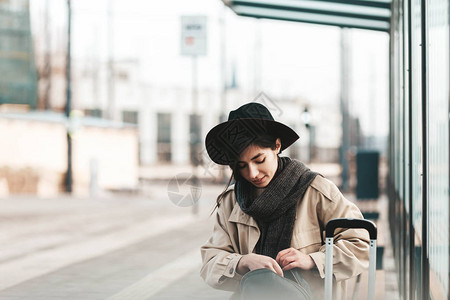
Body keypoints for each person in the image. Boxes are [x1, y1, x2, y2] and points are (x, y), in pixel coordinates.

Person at [200, 102, 370, 300]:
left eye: (259, 160)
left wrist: (313, 260)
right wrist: (242, 262)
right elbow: (210, 261)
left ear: (277, 146)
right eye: (242, 166)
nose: (252, 173)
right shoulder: (231, 202)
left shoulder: (316, 190)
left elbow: (361, 243)